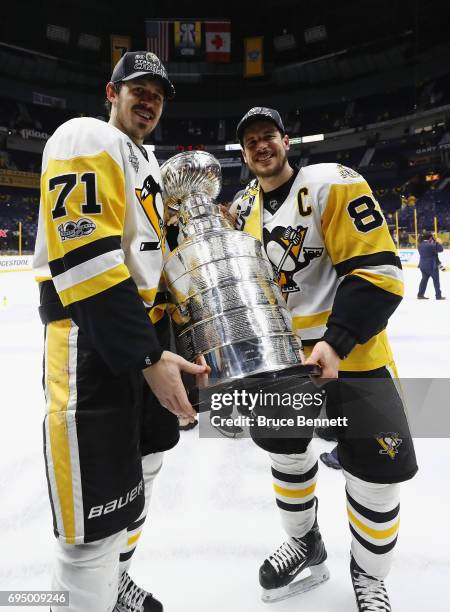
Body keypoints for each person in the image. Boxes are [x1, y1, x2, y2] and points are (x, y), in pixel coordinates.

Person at [33, 51, 207, 612]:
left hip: (143, 335)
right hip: (93, 338)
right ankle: (97, 587)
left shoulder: (149, 165)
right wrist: (146, 356)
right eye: (138, 88)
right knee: (92, 525)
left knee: (141, 475)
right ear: (112, 93)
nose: (150, 98)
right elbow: (85, 253)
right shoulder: (84, 135)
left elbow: (157, 261)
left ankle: (115, 582)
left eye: (158, 92)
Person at [231, 107, 418, 611]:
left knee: (378, 474)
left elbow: (379, 273)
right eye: (250, 141)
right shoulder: (241, 208)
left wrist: (335, 342)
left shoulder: (332, 184)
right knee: (287, 454)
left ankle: (369, 574)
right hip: (281, 368)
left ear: (286, 141)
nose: (260, 145)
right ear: (244, 154)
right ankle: (306, 543)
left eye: (268, 135)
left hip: (352, 358)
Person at [417, 232, 445, 299]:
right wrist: (437, 242)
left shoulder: (420, 244)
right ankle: (438, 296)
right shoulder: (431, 245)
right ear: (430, 237)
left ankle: (420, 294)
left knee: (424, 280)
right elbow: (441, 249)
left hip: (422, 265)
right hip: (431, 266)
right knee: (436, 281)